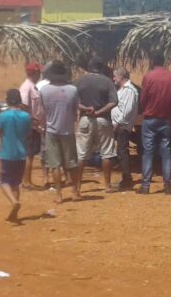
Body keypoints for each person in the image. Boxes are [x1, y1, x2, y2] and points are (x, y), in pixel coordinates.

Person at [38, 62, 81, 202]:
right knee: (72, 163)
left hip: (51, 130)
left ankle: (58, 194)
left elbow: (41, 112)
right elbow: (76, 112)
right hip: (67, 130)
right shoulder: (72, 90)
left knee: (55, 164)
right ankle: (75, 191)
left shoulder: (44, 90)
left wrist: (43, 126)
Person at [76, 57, 120, 192]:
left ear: (89, 68)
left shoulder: (79, 81)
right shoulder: (107, 81)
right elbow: (114, 102)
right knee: (106, 152)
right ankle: (107, 185)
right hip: (103, 120)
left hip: (85, 119)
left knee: (81, 154)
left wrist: (85, 109)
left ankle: (77, 187)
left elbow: (73, 101)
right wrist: (99, 112)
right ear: (101, 68)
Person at [139, 51, 171, 194]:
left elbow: (143, 99)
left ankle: (145, 186)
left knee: (148, 152)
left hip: (150, 119)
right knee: (166, 152)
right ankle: (167, 185)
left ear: (152, 62)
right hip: (166, 119)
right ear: (164, 62)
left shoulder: (148, 77)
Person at [0, 88, 32, 222]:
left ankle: (14, 202)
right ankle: (14, 214)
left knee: (4, 182)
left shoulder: (3, 116)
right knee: (16, 183)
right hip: (21, 155)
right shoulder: (26, 116)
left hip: (7, 154)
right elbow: (28, 134)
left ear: (7, 100)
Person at [111, 67, 139, 189]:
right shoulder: (123, 90)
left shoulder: (129, 90)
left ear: (121, 77)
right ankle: (126, 177)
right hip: (119, 125)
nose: (113, 78)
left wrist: (117, 123)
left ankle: (126, 179)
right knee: (121, 151)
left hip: (122, 125)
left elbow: (127, 111)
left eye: (115, 76)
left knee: (122, 152)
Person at [19, 62, 45, 189]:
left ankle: (27, 180)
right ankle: (26, 181)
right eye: (38, 72)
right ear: (34, 73)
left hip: (35, 126)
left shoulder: (33, 87)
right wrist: (31, 119)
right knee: (29, 154)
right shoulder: (26, 87)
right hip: (30, 126)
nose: (40, 74)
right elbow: (23, 105)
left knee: (31, 154)